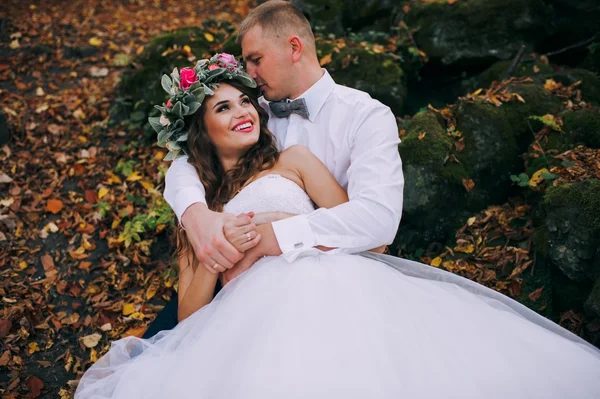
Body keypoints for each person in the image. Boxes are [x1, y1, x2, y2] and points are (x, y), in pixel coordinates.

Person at [74, 53, 600, 399]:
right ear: (201, 130)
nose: (243, 111)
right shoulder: (201, 208)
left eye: (244, 99)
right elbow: (191, 311)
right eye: (223, 106)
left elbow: (362, 225)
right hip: (245, 314)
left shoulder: (295, 159)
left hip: (330, 280)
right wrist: (220, 249)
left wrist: (278, 223)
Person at [143, 0, 404, 338]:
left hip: (331, 272)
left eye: (256, 60)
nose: (248, 74)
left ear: (294, 48)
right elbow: (188, 159)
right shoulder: (253, 112)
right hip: (232, 293)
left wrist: (276, 232)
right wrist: (196, 215)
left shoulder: (366, 116)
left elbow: (377, 224)